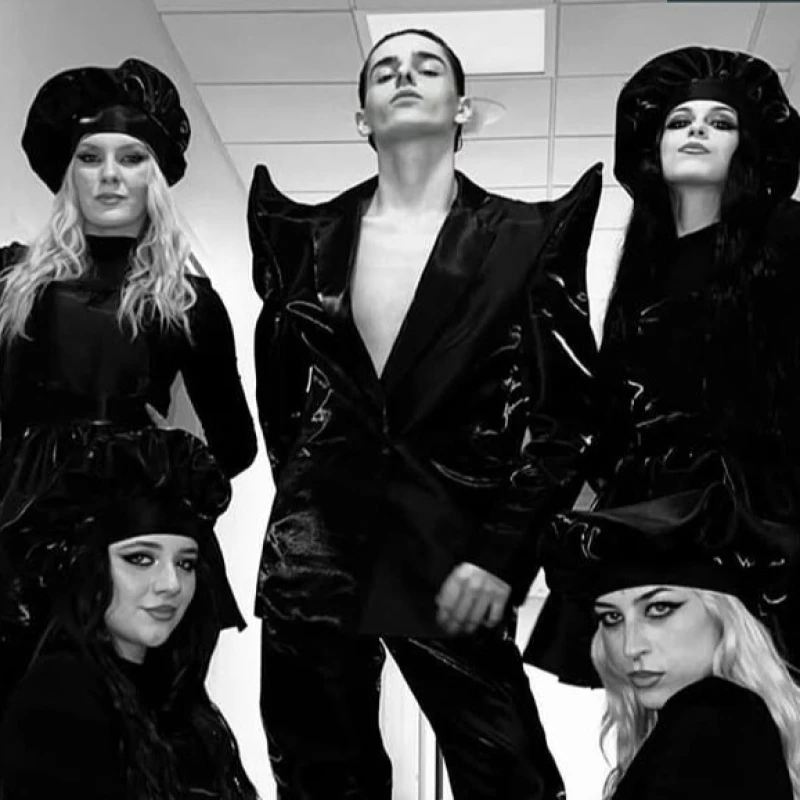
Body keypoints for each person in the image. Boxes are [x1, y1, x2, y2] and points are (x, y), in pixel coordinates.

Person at [248, 27, 602, 799]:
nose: (403, 76)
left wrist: (503, 555)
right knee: (317, 779)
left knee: (509, 775)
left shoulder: (526, 239)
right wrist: (309, 506)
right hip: (315, 558)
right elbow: (283, 408)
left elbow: (567, 422)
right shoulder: (300, 240)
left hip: (456, 553)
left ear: (462, 107)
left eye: (426, 67)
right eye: (384, 71)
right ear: (362, 117)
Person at [525, 46, 800, 687]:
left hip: (750, 515)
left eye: (720, 122)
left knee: (753, 698)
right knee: (657, 696)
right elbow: (616, 411)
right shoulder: (643, 266)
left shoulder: (787, 236)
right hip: (650, 514)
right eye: (680, 121)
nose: (696, 130)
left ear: (747, 147)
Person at [0, 57, 257, 711]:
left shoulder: (188, 301)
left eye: (132, 157)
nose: (110, 175)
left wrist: (161, 465)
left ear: (156, 176)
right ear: (68, 174)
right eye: (90, 158)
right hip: (24, 530)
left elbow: (237, 445)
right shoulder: (10, 283)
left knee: (136, 720)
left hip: (133, 537)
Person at [0, 431, 259, 800]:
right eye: (140, 558)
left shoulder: (171, 693)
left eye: (185, 563)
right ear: (92, 567)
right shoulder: (60, 698)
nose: (171, 583)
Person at [537, 488, 800, 799]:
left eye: (659, 609)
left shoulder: (715, 716)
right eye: (612, 618)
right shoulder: (735, 720)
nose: (630, 647)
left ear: (724, 616)